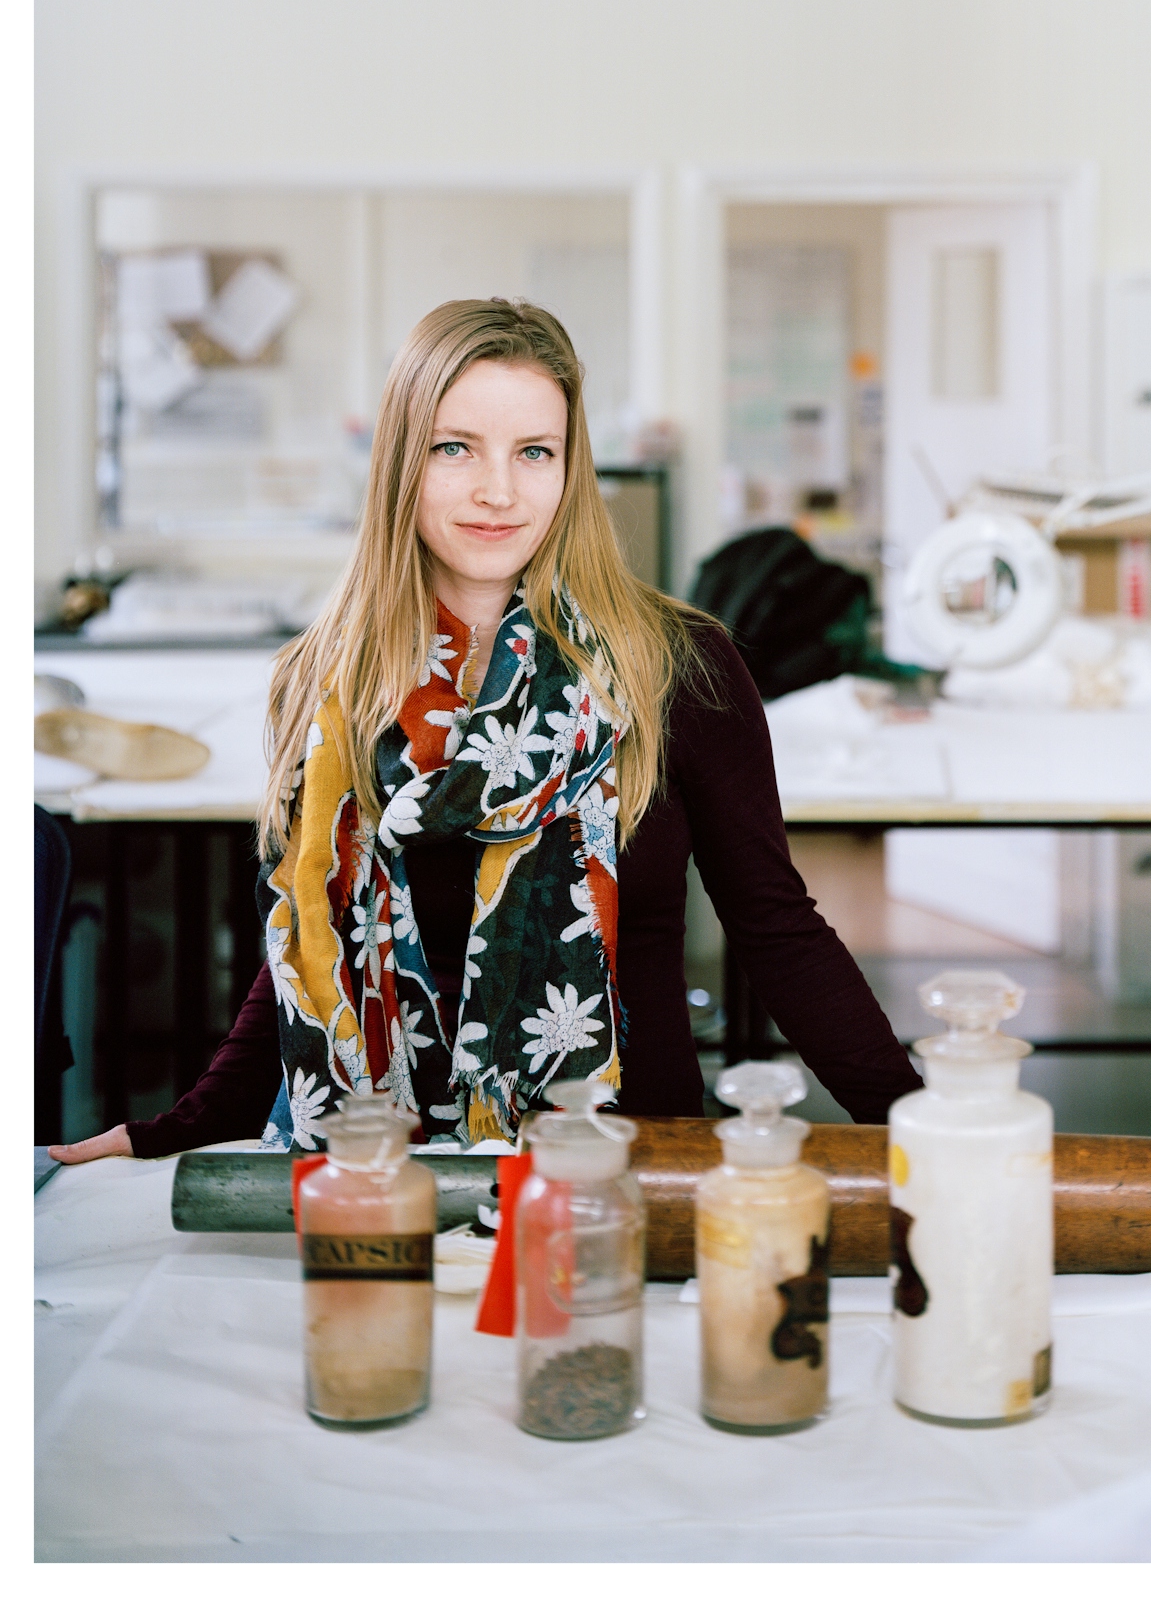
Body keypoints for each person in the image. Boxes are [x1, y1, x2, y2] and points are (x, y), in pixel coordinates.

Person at [50, 299, 921, 1165]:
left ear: (570, 468)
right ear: (402, 460)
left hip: (623, 1167)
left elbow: (777, 929)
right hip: (381, 1173)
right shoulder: (324, 679)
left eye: (533, 451)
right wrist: (177, 1128)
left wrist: (922, 1123)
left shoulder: (674, 665)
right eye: (455, 446)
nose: (498, 490)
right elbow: (307, 945)